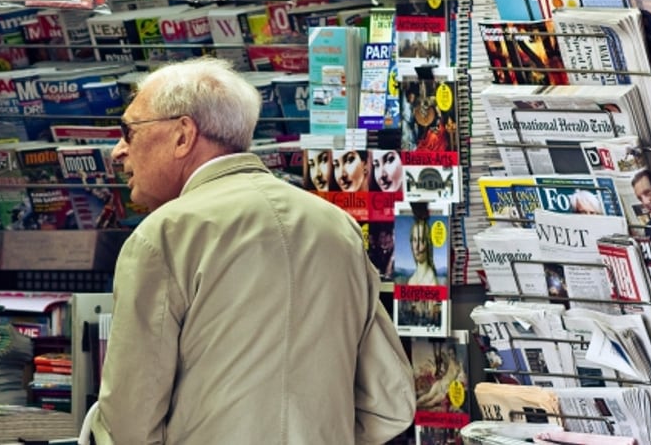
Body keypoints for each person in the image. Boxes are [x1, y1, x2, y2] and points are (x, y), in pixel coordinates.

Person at [79, 58, 415, 444]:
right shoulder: (337, 226)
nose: (118, 151)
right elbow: (390, 404)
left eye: (128, 131)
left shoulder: (164, 235)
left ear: (183, 135)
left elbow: (130, 423)